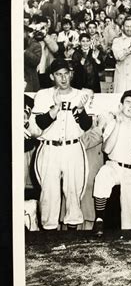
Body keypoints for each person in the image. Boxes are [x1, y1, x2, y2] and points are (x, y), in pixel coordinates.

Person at [31, 59, 93, 230]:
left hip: (73, 148)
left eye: (66, 74)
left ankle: (72, 242)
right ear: (52, 76)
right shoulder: (43, 95)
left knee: (74, 194)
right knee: (48, 196)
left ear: (71, 74)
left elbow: (86, 126)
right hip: (49, 149)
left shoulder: (82, 95)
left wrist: (81, 111)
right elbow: (37, 126)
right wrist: (54, 110)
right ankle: (48, 240)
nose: (63, 78)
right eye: (59, 74)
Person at [92, 90, 131, 235]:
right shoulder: (113, 122)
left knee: (130, 221)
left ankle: (128, 247)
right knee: (102, 176)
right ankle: (99, 219)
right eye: (128, 102)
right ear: (121, 105)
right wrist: (118, 124)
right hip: (116, 166)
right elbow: (106, 149)